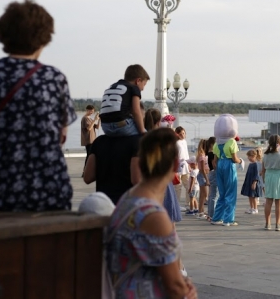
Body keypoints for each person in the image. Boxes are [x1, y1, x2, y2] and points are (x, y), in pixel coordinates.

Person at [0, 0, 76, 211]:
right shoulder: (54, 79)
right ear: (44, 38)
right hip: (46, 195)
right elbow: (59, 139)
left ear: (4, 35)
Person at [105, 128, 197, 299]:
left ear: (141, 162)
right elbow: (175, 288)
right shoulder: (155, 218)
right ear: (176, 165)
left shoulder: (128, 199)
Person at [82, 133, 138, 204]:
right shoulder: (136, 141)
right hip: (126, 205)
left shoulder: (99, 141)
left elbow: (87, 178)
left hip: (104, 203)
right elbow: (136, 180)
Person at [99, 64, 149, 137]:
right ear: (138, 81)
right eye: (144, 84)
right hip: (122, 126)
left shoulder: (112, 86)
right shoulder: (134, 88)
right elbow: (136, 111)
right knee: (148, 136)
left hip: (105, 126)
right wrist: (143, 132)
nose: (143, 89)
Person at [211, 114, 242, 226]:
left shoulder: (216, 143)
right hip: (229, 165)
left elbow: (214, 161)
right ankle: (228, 219)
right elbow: (234, 158)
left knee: (222, 193)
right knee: (231, 193)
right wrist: (241, 161)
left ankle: (216, 217)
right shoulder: (232, 142)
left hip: (220, 165)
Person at [261, 134, 280, 231]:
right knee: (278, 202)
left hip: (269, 177)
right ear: (279, 143)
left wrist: (264, 182)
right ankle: (278, 224)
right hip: (279, 178)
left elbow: (263, 170)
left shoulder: (265, 156)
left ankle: (267, 224)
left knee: (268, 202)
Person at [240, 149, 262, 214]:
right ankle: (251, 208)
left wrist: (254, 182)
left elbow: (256, 174)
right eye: (248, 157)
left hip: (253, 182)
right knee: (250, 196)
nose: (249, 158)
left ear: (254, 156)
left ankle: (255, 208)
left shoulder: (256, 164)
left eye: (250, 157)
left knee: (253, 196)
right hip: (249, 181)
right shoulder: (250, 164)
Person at [174, 126, 191, 211]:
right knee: (178, 187)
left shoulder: (184, 141)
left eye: (183, 133)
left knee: (188, 185)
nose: (182, 135)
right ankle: (177, 205)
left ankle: (188, 204)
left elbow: (186, 154)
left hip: (186, 165)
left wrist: (189, 164)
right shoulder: (175, 143)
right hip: (178, 166)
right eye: (180, 134)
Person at [195, 139, 210, 219]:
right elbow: (202, 169)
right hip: (202, 175)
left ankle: (201, 211)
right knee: (204, 195)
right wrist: (207, 179)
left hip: (202, 175)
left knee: (202, 195)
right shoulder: (202, 155)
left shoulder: (202, 154)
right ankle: (200, 212)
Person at [205, 136, 218, 221]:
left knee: (211, 195)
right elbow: (214, 165)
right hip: (214, 173)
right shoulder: (212, 153)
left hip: (210, 173)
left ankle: (209, 214)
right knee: (214, 195)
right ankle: (212, 215)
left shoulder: (208, 153)